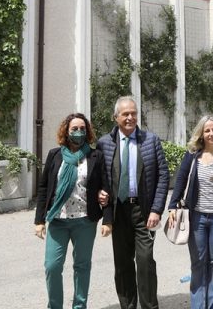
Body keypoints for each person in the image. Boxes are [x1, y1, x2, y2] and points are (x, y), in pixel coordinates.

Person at [97, 96, 170, 309]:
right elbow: (99, 178)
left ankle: (149, 306)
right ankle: (127, 305)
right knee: (122, 264)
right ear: (116, 117)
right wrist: (100, 194)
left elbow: (163, 176)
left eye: (134, 113)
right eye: (125, 114)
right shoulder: (104, 143)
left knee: (146, 262)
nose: (130, 117)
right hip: (119, 212)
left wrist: (156, 209)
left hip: (144, 211)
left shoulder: (151, 140)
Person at [34, 113, 113, 309]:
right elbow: (44, 188)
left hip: (85, 221)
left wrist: (107, 220)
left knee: (82, 266)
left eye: (82, 129)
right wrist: (39, 220)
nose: (78, 132)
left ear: (87, 132)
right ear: (66, 131)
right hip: (58, 220)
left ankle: (79, 306)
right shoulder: (55, 155)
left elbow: (106, 187)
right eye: (74, 129)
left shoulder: (95, 156)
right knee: (52, 267)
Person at [167, 116, 213, 309]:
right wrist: (172, 206)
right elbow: (180, 181)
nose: (211, 134)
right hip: (196, 217)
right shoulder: (192, 157)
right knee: (198, 263)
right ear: (201, 134)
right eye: (207, 130)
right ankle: (198, 306)